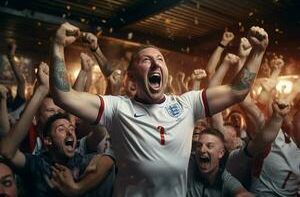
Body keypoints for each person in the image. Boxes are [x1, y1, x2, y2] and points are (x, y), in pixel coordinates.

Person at [49, 22, 268, 196]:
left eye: (160, 59)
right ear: (132, 77)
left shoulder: (187, 104)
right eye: (146, 59)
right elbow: (63, 95)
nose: (155, 63)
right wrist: (58, 45)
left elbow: (237, 90)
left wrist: (258, 52)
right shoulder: (117, 108)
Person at [0, 63, 115, 197]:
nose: (70, 132)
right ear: (47, 140)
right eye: (61, 129)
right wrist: (42, 89)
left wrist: (78, 188)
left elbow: (109, 160)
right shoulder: (38, 165)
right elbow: (7, 149)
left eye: (71, 128)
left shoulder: (82, 160)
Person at [187, 128, 253, 197]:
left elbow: (241, 192)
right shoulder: (189, 164)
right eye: (199, 145)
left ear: (221, 153)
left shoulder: (224, 177)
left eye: (209, 146)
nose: (202, 150)